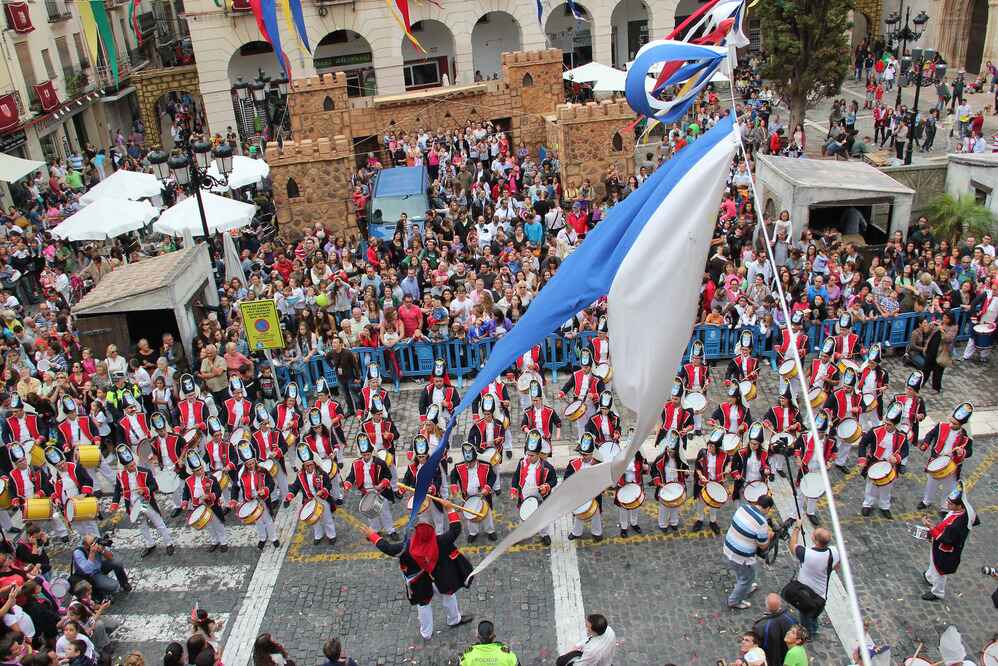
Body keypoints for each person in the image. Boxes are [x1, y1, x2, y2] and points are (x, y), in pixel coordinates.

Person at [365, 512, 474, 641]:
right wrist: (450, 509)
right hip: (442, 579)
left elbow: (388, 548)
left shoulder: (406, 548)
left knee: (423, 606)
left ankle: (426, 633)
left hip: (420, 583)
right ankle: (454, 620)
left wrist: (373, 536)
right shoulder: (440, 541)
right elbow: (455, 529)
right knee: (449, 597)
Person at [920, 481, 979, 601]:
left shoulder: (956, 525)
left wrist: (930, 527)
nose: (947, 504)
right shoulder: (965, 511)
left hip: (946, 551)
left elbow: (945, 538)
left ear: (959, 506)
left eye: (950, 503)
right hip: (940, 545)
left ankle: (937, 592)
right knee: (933, 563)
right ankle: (930, 577)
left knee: (940, 571)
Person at [723, 493, 774, 609]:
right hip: (741, 557)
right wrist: (769, 536)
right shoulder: (762, 523)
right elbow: (763, 546)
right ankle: (734, 601)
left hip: (729, 547)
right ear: (767, 508)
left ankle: (746, 587)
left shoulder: (742, 508)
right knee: (747, 577)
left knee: (742, 573)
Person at [787, 526, 840, 636]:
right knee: (813, 615)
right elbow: (836, 567)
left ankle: (808, 633)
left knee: (805, 617)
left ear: (815, 540)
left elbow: (792, 546)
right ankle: (813, 627)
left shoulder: (807, 554)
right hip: (821, 597)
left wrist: (797, 528)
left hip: (806, 596)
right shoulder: (834, 552)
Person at [70, 534, 131, 601]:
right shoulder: (78, 553)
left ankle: (124, 583)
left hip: (99, 567)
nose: (96, 544)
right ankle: (101, 591)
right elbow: (87, 570)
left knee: (117, 563)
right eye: (93, 543)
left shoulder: (96, 546)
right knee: (114, 585)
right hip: (91, 575)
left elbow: (110, 557)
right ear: (86, 545)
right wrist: (92, 553)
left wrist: (102, 551)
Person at [751, 594, 798, 666]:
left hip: (771, 658)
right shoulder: (791, 617)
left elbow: (756, 645)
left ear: (767, 607)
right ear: (780, 604)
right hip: (788, 652)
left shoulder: (761, 626)